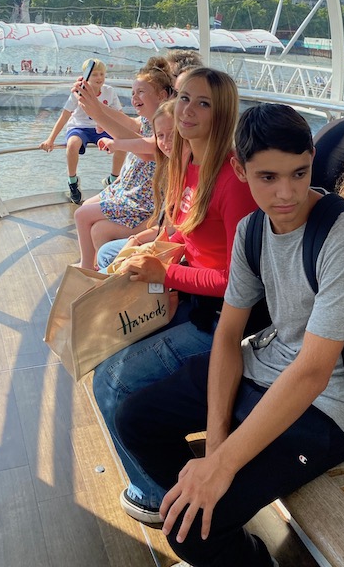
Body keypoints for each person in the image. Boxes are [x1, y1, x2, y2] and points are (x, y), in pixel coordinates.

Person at [115, 103, 344, 567]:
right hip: (268, 360)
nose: (286, 193)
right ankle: (221, 525)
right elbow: (228, 334)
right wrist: (218, 443)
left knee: (190, 537)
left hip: (336, 398)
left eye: (299, 173)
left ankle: (231, 542)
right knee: (135, 419)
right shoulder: (252, 231)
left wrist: (220, 466)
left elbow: (313, 372)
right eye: (268, 178)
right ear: (240, 171)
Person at [91, 67, 257, 525]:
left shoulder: (233, 181)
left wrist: (166, 273)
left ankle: (156, 493)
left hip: (223, 321)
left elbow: (237, 281)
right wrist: (151, 248)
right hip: (193, 303)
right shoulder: (188, 166)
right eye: (184, 97)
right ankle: (167, 471)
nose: (187, 109)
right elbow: (192, 238)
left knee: (111, 381)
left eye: (202, 102)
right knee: (107, 354)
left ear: (222, 113)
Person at [73, 56, 174, 269]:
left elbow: (148, 150)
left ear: (162, 95)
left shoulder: (166, 128)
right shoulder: (150, 119)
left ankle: (88, 268)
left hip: (140, 201)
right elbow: (128, 123)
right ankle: (98, 267)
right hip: (128, 190)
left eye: (141, 92)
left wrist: (101, 118)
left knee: (84, 217)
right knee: (86, 210)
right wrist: (95, 106)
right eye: (133, 92)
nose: (134, 97)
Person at [96, 99, 177, 269]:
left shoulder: (184, 173)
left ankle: (100, 278)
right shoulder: (174, 167)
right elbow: (166, 225)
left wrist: (141, 245)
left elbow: (175, 230)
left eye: (173, 134)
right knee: (105, 251)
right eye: (160, 136)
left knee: (88, 220)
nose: (165, 142)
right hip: (161, 231)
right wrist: (136, 240)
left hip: (169, 243)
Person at [39, 58, 124, 204]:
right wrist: (50, 139)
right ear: (85, 77)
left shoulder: (109, 91)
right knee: (72, 144)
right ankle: (72, 182)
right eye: (94, 75)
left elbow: (120, 114)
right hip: (79, 126)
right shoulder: (77, 92)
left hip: (101, 126)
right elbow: (65, 115)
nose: (99, 78)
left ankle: (112, 179)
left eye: (102, 74)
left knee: (122, 143)